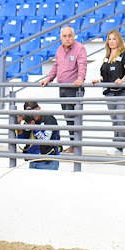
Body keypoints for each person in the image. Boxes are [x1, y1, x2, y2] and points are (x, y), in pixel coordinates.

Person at [40, 26, 87, 154]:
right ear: (60, 37)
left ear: (73, 36)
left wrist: (80, 79)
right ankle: (73, 144)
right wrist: (48, 79)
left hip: (74, 89)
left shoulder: (79, 48)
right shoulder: (60, 50)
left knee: (73, 117)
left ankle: (76, 145)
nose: (67, 38)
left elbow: (82, 65)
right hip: (62, 88)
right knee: (68, 117)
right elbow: (56, 66)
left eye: (70, 35)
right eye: (64, 36)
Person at [91, 30, 125, 157]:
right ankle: (117, 145)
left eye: (114, 39)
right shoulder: (107, 57)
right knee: (114, 120)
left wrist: (123, 80)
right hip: (110, 92)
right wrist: (98, 80)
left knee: (121, 119)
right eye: (109, 39)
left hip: (123, 91)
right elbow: (107, 76)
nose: (111, 41)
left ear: (119, 40)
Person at [16, 101, 61, 170]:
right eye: (29, 113)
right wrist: (18, 124)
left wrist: (34, 128)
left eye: (33, 112)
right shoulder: (30, 121)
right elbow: (22, 138)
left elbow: (45, 140)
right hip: (33, 160)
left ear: (38, 108)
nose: (33, 115)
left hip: (48, 161)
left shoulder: (49, 119)